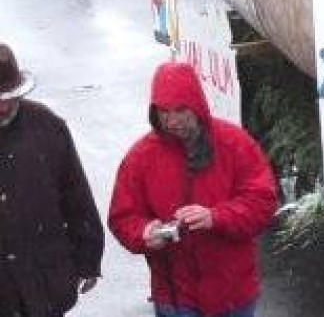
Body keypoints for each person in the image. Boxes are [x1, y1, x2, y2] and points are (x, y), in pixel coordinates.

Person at [108, 61, 278, 317]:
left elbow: (263, 201)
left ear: (196, 106)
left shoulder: (234, 144)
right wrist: (144, 233)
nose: (172, 121)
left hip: (233, 294)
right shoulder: (140, 157)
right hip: (175, 297)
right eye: (164, 112)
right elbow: (122, 217)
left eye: (180, 110)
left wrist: (216, 217)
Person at [0, 43, 104, 315]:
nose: (4, 106)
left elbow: (75, 194)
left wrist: (89, 257)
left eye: (10, 96)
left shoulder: (46, 125)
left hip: (42, 284)